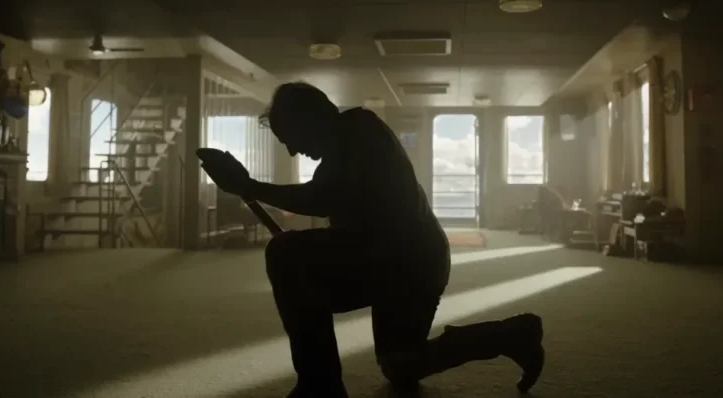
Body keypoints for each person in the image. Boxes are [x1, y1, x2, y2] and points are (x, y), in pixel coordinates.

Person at [200, 82, 545, 397]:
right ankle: (511, 335)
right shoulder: (349, 139)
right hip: (395, 261)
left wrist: (249, 186)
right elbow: (333, 205)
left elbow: (321, 199)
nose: (291, 151)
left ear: (309, 120)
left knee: (285, 253)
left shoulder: (360, 133)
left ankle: (319, 386)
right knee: (401, 367)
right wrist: (249, 188)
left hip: (409, 265)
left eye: (289, 138)